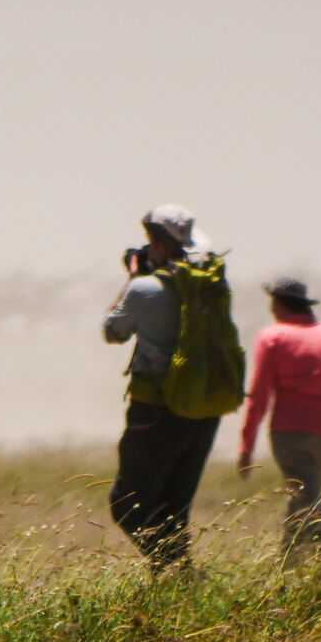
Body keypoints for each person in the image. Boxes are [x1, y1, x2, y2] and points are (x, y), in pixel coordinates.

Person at [102, 204, 223, 575]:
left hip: (155, 411)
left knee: (126, 504)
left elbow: (113, 331)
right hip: (203, 412)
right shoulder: (210, 287)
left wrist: (133, 277)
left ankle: (179, 571)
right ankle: (174, 587)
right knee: (174, 508)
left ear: (156, 243)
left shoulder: (144, 289)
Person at [237, 277, 321, 562]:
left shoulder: (272, 337)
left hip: (287, 432)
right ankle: (287, 563)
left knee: (307, 496)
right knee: (305, 494)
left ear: (280, 304)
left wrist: (247, 445)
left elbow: (259, 395)